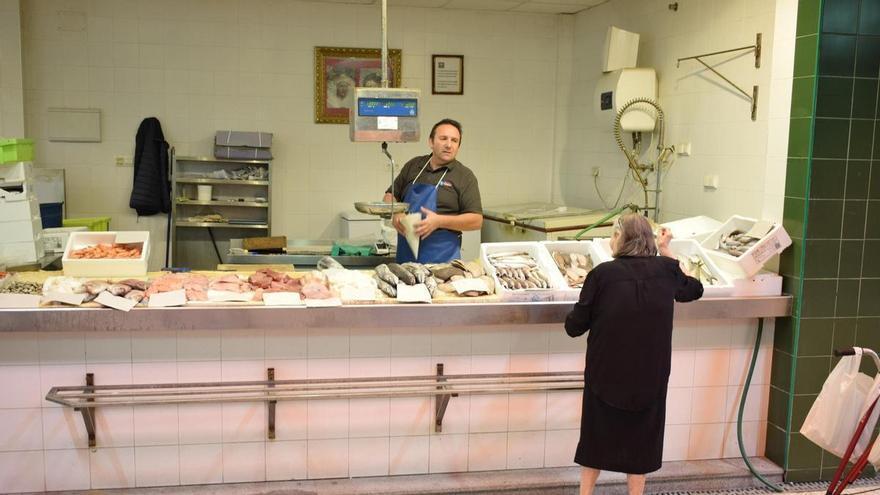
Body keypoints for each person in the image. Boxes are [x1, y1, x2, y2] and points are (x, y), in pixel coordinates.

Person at [564, 213, 703, 495]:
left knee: (596, 439)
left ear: (622, 238)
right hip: (650, 375)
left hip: (606, 374)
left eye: (614, 235)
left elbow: (574, 326)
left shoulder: (602, 274)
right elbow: (693, 290)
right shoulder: (666, 270)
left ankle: (585, 494)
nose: (611, 240)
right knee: (641, 441)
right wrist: (667, 251)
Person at [383, 118, 482, 263]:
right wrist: (396, 212)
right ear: (431, 142)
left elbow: (476, 221)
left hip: (442, 259)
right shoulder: (414, 165)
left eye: (454, 141)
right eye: (443, 138)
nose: (449, 145)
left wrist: (439, 221)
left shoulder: (465, 176)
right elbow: (389, 195)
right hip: (406, 257)